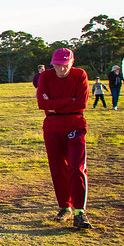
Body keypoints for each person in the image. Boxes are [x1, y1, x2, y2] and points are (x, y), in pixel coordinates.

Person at [37, 48, 92, 229]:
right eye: (57, 65)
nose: (60, 69)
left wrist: (55, 104)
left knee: (76, 167)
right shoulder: (45, 76)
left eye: (64, 65)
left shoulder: (80, 75)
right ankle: (64, 206)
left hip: (75, 124)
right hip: (52, 126)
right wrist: (69, 100)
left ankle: (79, 212)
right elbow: (42, 103)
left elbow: (81, 103)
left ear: (71, 62)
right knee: (57, 168)